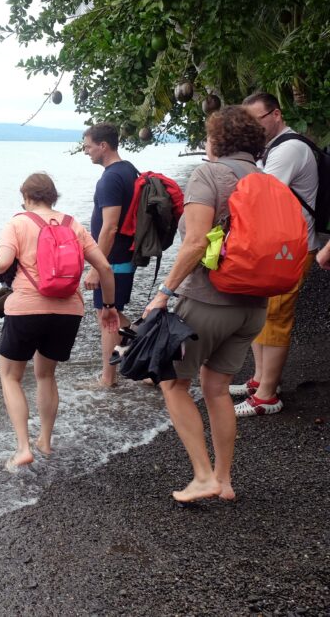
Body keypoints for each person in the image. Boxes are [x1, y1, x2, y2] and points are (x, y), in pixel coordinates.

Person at [142, 106, 268, 502]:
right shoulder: (268, 181)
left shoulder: (209, 174)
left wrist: (164, 292)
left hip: (211, 301)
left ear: (216, 140)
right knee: (215, 388)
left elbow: (196, 242)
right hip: (255, 306)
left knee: (173, 382)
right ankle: (224, 481)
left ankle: (202, 477)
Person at [0, 173, 118, 470]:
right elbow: (104, 266)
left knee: (10, 377)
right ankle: (46, 441)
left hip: (26, 307)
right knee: (45, 375)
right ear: (54, 197)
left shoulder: (17, 222)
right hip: (68, 311)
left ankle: (23, 448)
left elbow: (2, 264)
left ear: (26, 197)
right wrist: (108, 306)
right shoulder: (72, 224)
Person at [232, 93, 320, 417]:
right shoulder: (272, 149)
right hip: (278, 247)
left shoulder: (288, 149)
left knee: (277, 318)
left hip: (292, 249)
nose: (253, 127)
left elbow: (260, 199)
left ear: (276, 114)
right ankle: (260, 380)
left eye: (258, 119)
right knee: (261, 314)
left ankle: (268, 396)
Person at [83, 123, 140, 387]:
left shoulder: (110, 178)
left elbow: (110, 226)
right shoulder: (129, 169)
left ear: (103, 146)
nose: (86, 152)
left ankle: (108, 379)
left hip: (114, 260)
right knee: (111, 314)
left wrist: (97, 266)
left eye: (88, 146)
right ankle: (149, 344)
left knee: (107, 316)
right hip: (123, 256)